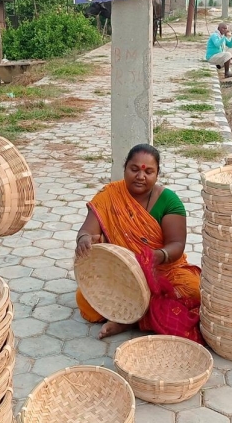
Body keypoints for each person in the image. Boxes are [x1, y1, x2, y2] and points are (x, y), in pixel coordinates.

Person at [75, 145, 201, 341]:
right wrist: (84, 239)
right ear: (125, 168)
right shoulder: (109, 196)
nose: (140, 176)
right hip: (122, 273)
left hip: (162, 271)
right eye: (134, 169)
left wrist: (154, 257)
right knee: (85, 301)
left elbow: (176, 245)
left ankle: (130, 318)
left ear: (157, 174)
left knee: (194, 290)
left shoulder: (169, 201)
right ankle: (141, 314)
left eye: (148, 171)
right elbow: (87, 230)